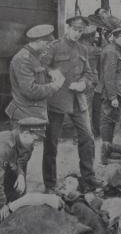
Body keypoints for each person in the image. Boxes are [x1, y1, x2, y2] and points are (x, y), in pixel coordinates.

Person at [41, 15, 99, 192]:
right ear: (68, 28)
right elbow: (40, 66)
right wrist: (51, 72)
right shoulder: (55, 46)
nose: (76, 33)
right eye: (74, 29)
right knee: (51, 142)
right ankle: (50, 185)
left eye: (80, 31)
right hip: (57, 100)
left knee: (88, 138)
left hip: (77, 100)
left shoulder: (83, 49)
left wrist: (84, 83)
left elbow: (90, 75)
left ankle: (88, 177)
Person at [5, 24, 64, 128]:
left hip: (35, 113)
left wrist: (51, 72)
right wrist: (55, 86)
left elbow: (40, 69)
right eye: (48, 44)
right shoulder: (23, 59)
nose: (49, 48)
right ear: (40, 41)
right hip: (26, 117)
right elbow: (30, 91)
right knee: (28, 144)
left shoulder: (36, 56)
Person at [97, 27, 121, 164]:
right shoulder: (111, 51)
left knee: (111, 122)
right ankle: (104, 156)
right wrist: (112, 97)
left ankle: (109, 150)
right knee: (107, 122)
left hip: (114, 91)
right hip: (110, 92)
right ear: (114, 38)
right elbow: (108, 76)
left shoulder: (115, 50)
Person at [85, 27, 103, 137]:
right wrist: (103, 37)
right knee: (89, 109)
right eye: (94, 36)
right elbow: (106, 49)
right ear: (90, 37)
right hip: (91, 83)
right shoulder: (94, 50)